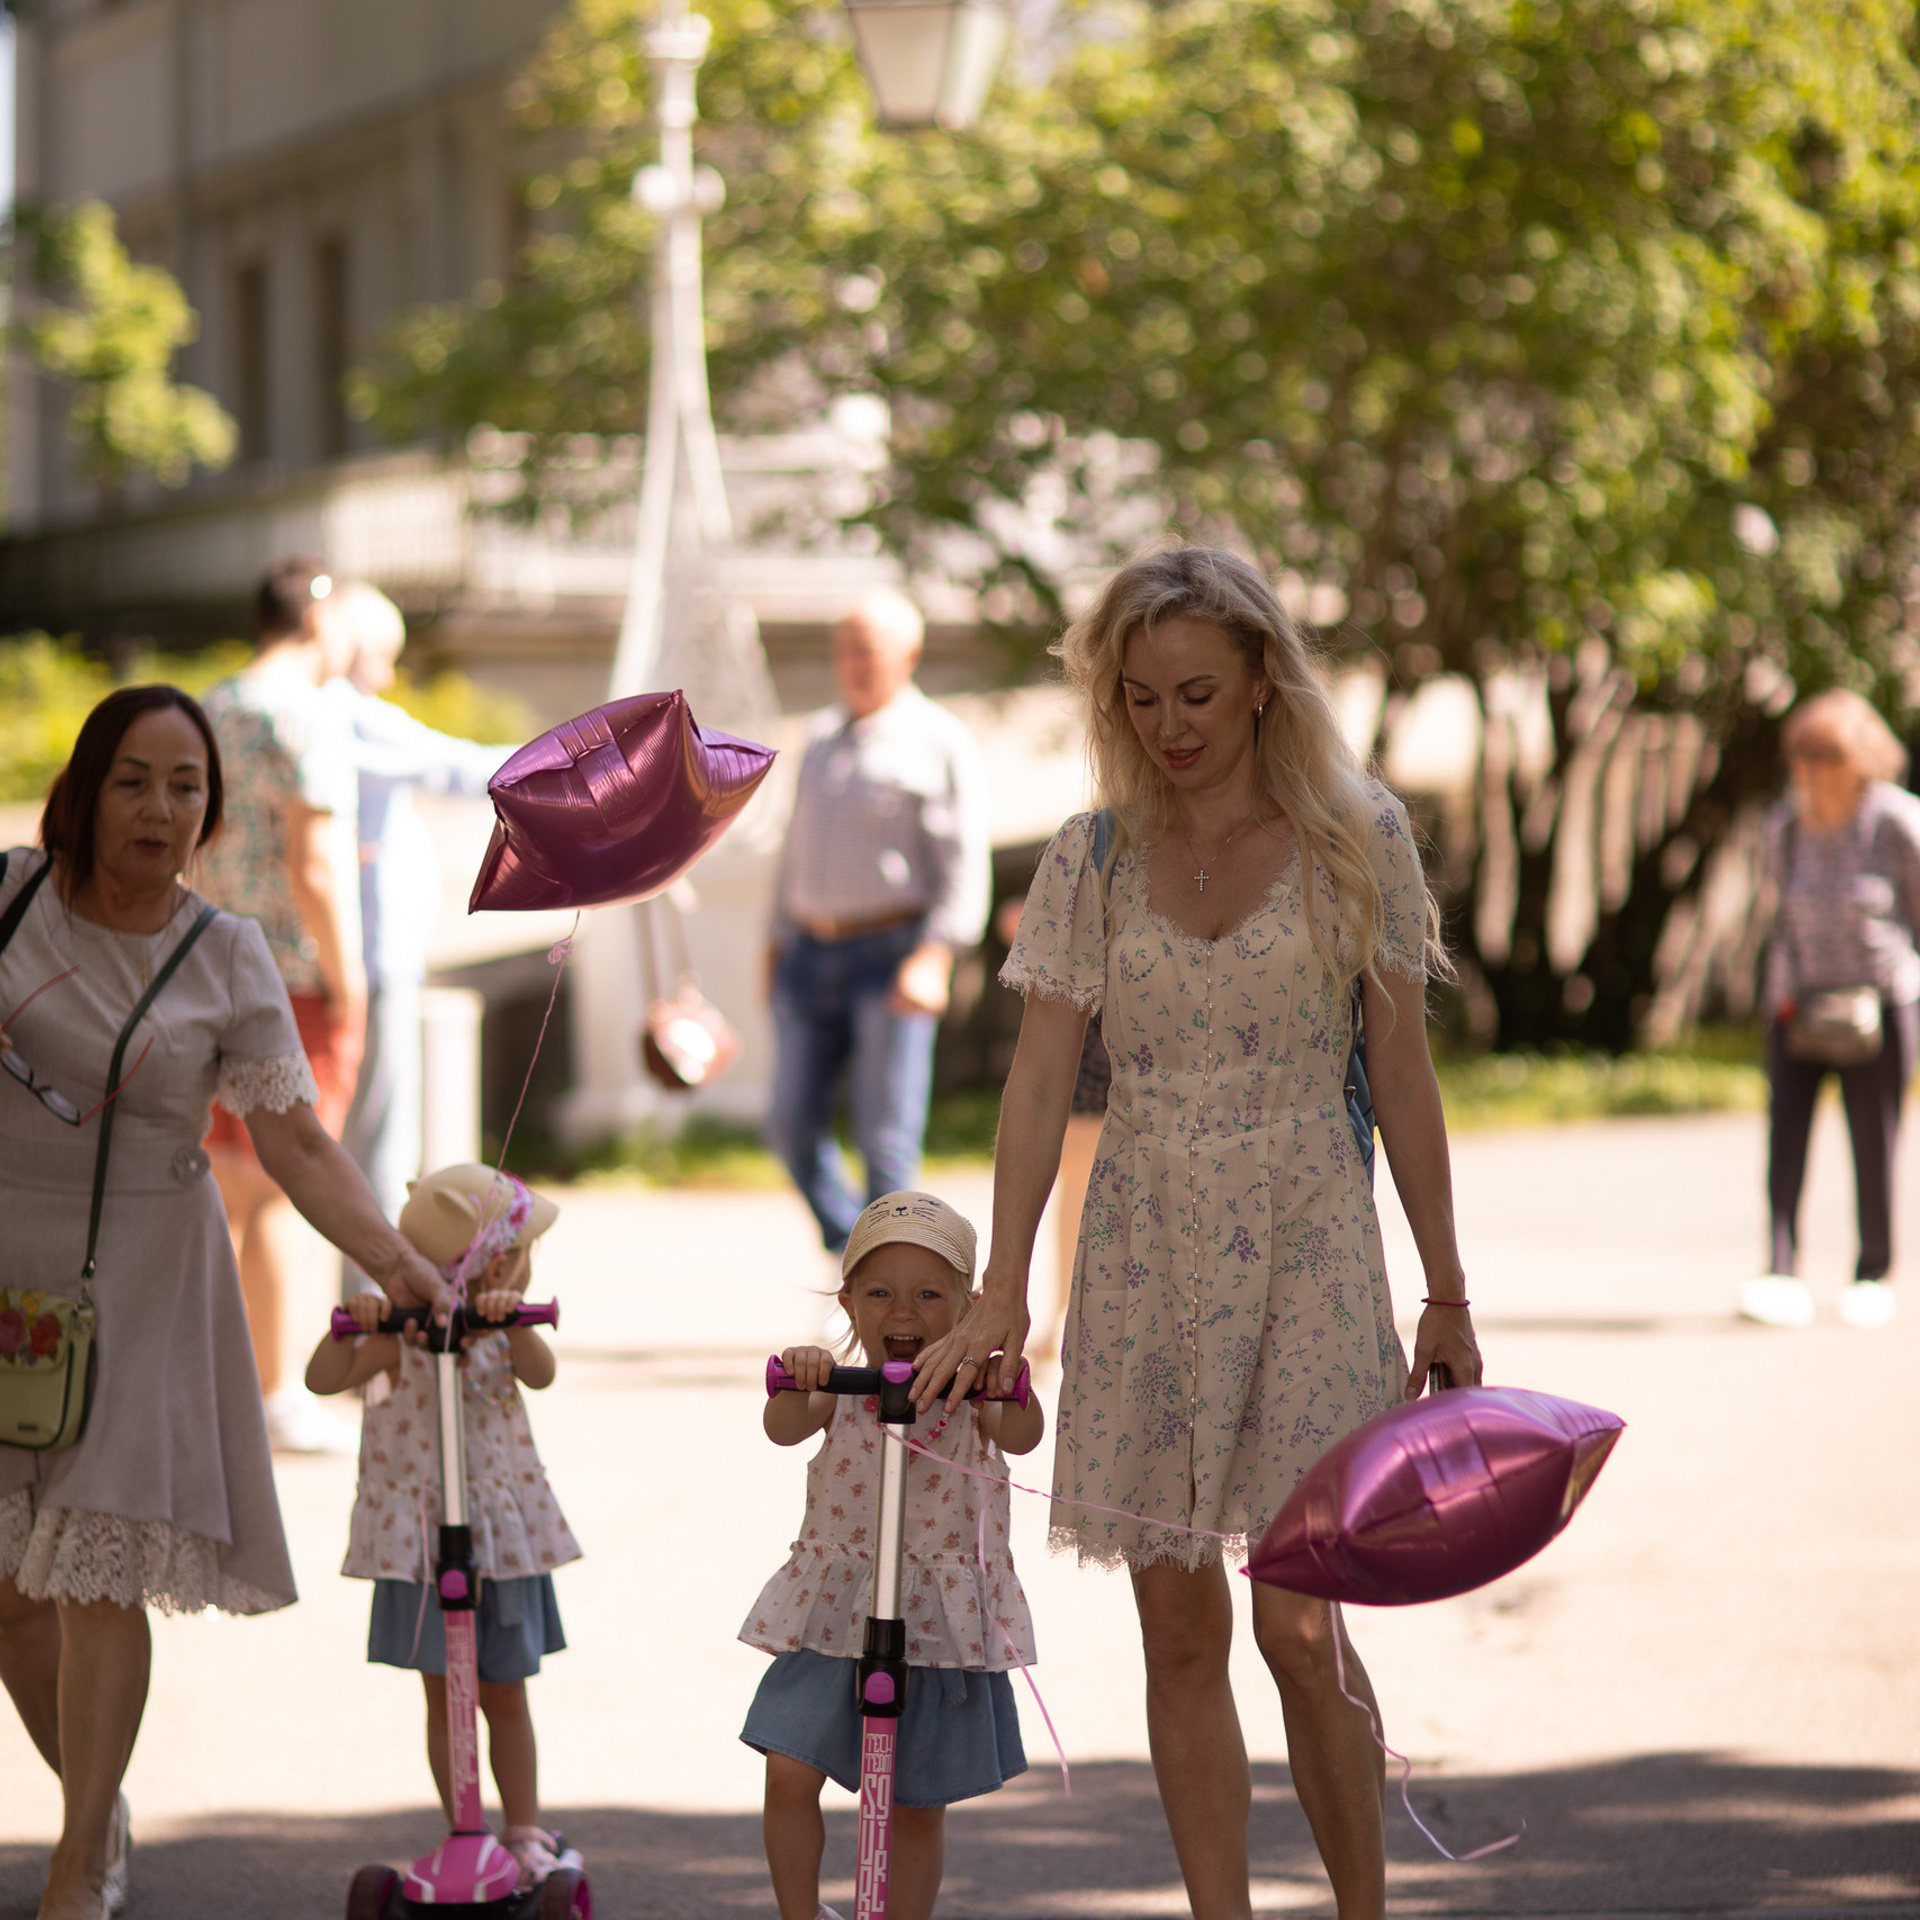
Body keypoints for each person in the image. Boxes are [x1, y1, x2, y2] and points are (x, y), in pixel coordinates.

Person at [910, 547, 1482, 1920]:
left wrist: (1448, 1294)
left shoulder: (1361, 837)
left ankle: (1362, 1913)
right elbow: (1042, 1081)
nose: (1170, 726)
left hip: (1312, 1244)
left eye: (1199, 695)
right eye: (1144, 697)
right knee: (1178, 1627)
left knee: (1299, 1619)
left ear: (1264, 684)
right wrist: (1000, 1288)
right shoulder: (1089, 857)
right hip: (1143, 1244)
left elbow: (1400, 1077)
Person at [0, 686, 452, 1920]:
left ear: (212, 805)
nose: (160, 808)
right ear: (87, 789)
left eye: (186, 785)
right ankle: (102, 1803)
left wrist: (396, 1265)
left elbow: (296, 1142)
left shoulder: (228, 952)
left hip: (144, 1277)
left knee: (96, 1577)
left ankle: (78, 1857)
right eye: (134, 780)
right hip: (6, 1273)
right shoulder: (8, 897)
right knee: (12, 1594)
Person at [741, 1191, 1042, 1920]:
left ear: (968, 1307)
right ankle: (800, 1913)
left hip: (935, 1626)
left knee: (915, 1800)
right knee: (788, 1770)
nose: (902, 1314)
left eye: (929, 1295)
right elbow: (783, 1426)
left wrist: (1002, 1381)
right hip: (835, 1617)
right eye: (879, 1294)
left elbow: (1023, 1431)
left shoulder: (975, 1396)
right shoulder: (840, 1389)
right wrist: (799, 1371)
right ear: (847, 1303)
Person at [305, 1162, 583, 1888]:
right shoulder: (399, 1337)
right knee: (442, 1689)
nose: (525, 1273)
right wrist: (359, 1323)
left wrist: (507, 1317)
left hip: (498, 1538)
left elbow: (541, 1370)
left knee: (505, 1689)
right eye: (521, 1258)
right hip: (421, 1543)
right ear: (492, 1259)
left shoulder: (503, 1331)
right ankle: (463, 1827)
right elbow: (321, 1378)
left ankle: (522, 1830)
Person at [198, 556, 368, 1450]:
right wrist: (353, 982)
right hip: (292, 980)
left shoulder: (215, 703)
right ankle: (271, 1393)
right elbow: (316, 866)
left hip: (212, 966)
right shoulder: (306, 713)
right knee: (275, 1188)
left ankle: (221, 1390)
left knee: (225, 1187)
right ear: (317, 615)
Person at [765, 589, 991, 1252]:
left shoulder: (940, 741)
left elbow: (962, 865)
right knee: (788, 1126)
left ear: (909, 655)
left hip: (892, 956)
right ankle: (856, 1251)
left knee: (885, 1136)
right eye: (845, 649)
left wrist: (937, 957)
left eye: (869, 649)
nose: (854, 663)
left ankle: (892, 1282)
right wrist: (773, 942)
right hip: (808, 954)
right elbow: (792, 849)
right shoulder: (816, 740)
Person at [325, 583, 514, 1248]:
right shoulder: (349, 714)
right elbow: (463, 769)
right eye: (383, 654)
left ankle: (367, 1301)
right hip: (372, 962)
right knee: (377, 1149)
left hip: (363, 957)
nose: (387, 672)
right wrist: (575, 762)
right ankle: (376, 1306)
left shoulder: (327, 713)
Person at [1740, 690, 1920, 1332]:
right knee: (1784, 1138)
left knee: (1875, 1140)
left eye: (1827, 753)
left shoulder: (1897, 822)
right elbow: (1776, 911)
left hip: (1882, 1004)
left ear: (1863, 756)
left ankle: (1872, 1273)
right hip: (1798, 1003)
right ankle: (1781, 1270)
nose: (1811, 766)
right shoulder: (1782, 826)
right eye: (1802, 753)